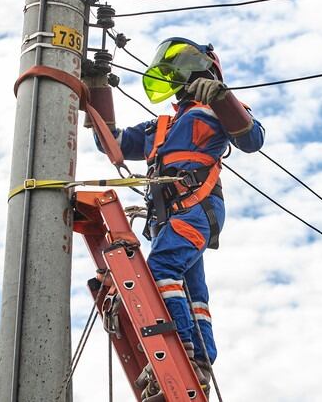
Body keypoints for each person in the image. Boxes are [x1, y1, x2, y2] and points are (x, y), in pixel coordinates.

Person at [84, 37, 264, 401]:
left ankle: (178, 346)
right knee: (193, 294)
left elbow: (252, 138)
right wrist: (98, 88)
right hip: (168, 217)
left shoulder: (214, 108)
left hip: (195, 209)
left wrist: (219, 96)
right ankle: (197, 365)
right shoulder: (159, 127)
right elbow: (112, 144)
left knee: (162, 268)